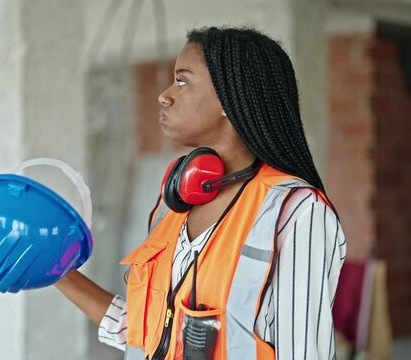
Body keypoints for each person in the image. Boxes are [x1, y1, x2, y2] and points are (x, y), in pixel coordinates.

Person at [55, 26, 346, 359]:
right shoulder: (173, 203)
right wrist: (55, 269)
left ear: (228, 100)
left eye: (182, 80)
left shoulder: (295, 210)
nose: (164, 95)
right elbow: (148, 332)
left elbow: (305, 353)